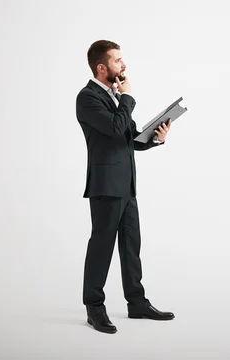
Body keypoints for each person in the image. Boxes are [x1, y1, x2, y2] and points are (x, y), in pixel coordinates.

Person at [76, 39, 174, 334]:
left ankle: (137, 303)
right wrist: (127, 97)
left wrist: (156, 137)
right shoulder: (88, 98)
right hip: (106, 186)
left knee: (131, 246)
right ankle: (95, 308)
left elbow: (128, 138)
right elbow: (117, 127)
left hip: (126, 185)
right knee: (102, 247)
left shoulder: (115, 99)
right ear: (102, 67)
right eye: (118, 61)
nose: (124, 66)